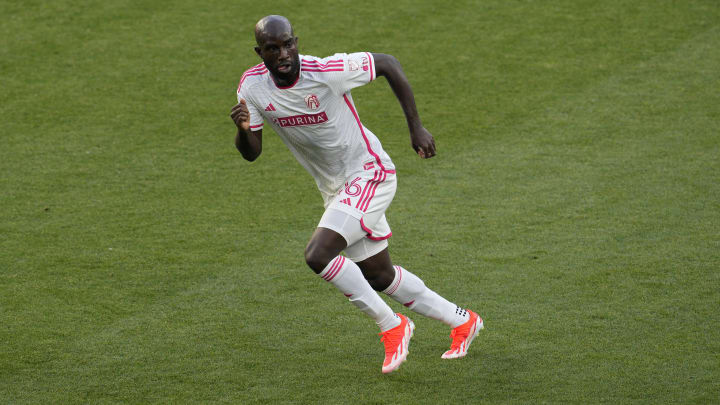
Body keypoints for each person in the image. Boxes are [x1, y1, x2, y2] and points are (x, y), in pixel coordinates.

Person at [230, 15, 483, 374]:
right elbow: (251, 151)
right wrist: (242, 130)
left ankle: (392, 326)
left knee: (318, 254)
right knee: (378, 275)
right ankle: (463, 320)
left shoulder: (327, 72)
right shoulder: (252, 87)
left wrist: (416, 127)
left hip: (370, 175)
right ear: (261, 52)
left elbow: (388, 64)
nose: (284, 53)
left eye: (289, 44)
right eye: (274, 48)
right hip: (336, 189)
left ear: (296, 42)